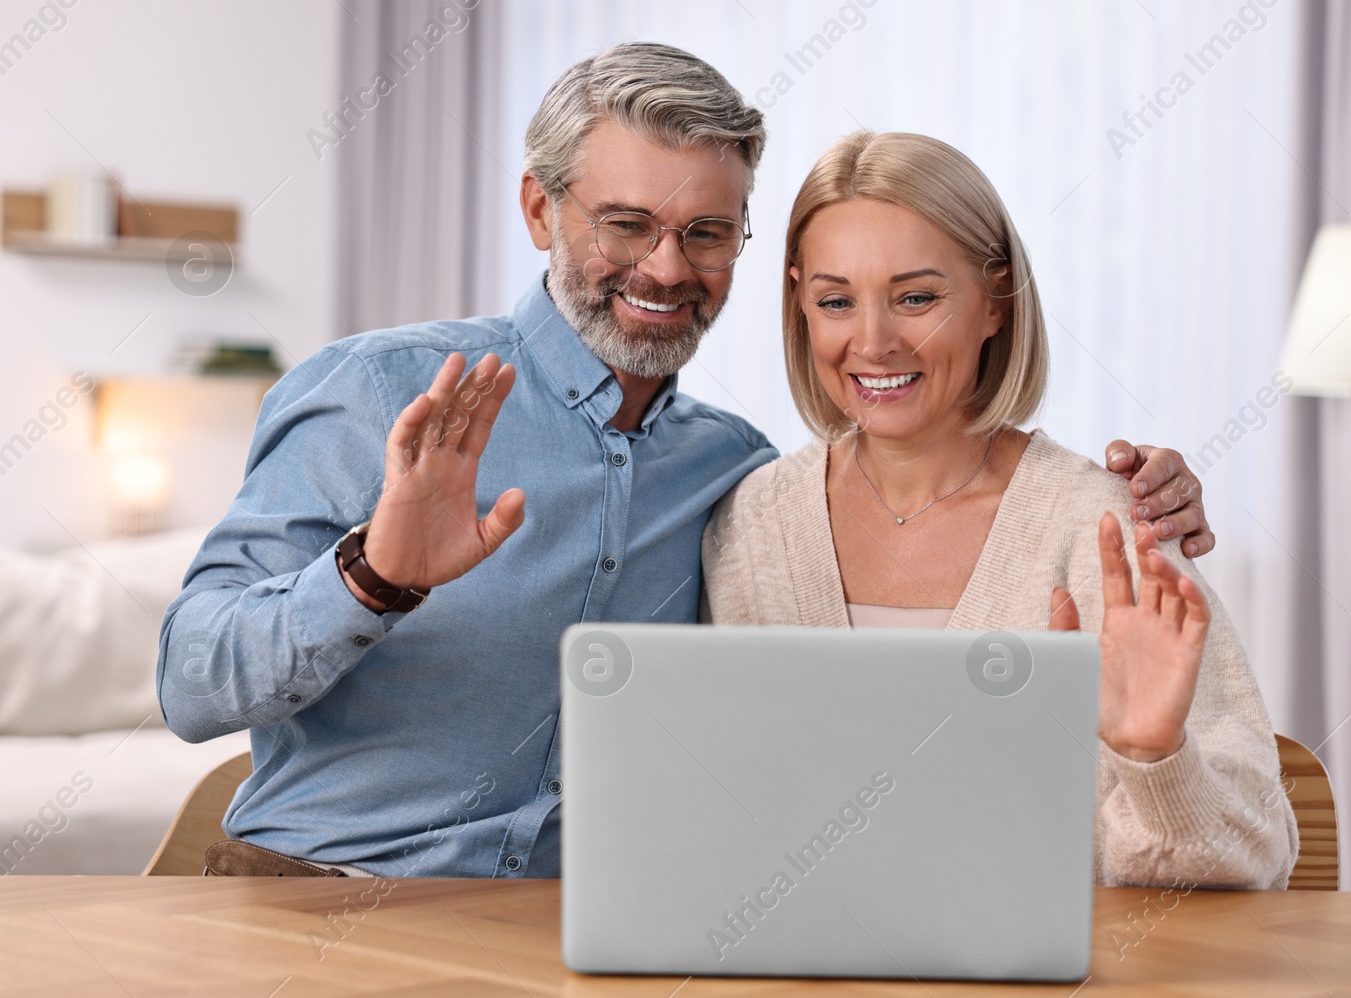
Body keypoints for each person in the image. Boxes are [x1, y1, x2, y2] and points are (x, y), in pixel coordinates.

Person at [159, 43, 1215, 878]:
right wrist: (373, 574)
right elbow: (191, 680)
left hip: (581, 933)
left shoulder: (737, 481)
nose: (667, 268)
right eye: (625, 223)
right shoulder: (381, 396)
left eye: (707, 232)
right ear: (540, 209)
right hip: (317, 891)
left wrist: (1130, 495)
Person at [702, 130, 1295, 889]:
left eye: (917, 297)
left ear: (997, 301)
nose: (874, 341)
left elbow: (1255, 857)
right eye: (836, 300)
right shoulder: (754, 525)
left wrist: (1154, 758)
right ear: (801, 305)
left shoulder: (1106, 527)